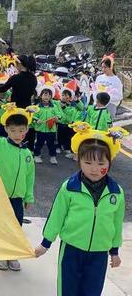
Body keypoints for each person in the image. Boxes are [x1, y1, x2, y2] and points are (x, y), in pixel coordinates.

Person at [35, 125, 125, 296]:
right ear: (78, 160)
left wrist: (114, 251)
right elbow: (57, 215)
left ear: (109, 162)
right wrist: (46, 243)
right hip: (71, 249)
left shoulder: (116, 192)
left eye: (101, 163)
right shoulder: (69, 187)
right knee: (68, 290)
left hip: (99, 254)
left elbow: (116, 224)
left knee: (92, 292)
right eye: (88, 162)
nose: (94, 168)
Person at [0, 105, 35, 272]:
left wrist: (29, 197)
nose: (18, 135)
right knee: (1, 226)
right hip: (0, 196)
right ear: (6, 129)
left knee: (16, 226)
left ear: (26, 130)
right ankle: (0, 253)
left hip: (17, 198)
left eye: (21, 130)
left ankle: (12, 254)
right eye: (13, 131)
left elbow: (29, 177)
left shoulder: (27, 153)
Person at [33, 88, 63, 165]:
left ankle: (53, 157)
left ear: (51, 97)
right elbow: (33, 116)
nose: (47, 97)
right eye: (45, 95)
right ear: (41, 96)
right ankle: (36, 155)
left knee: (51, 144)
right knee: (39, 143)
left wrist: (57, 118)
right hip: (40, 130)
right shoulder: (37, 107)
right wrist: (37, 120)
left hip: (51, 130)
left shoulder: (54, 107)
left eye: (49, 95)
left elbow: (59, 115)